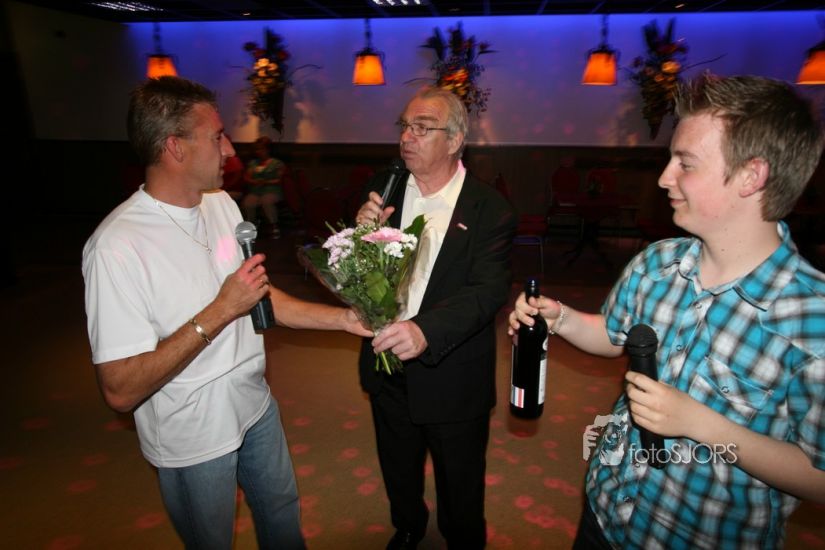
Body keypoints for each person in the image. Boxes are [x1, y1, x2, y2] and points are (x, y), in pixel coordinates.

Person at [509, 74, 825, 549]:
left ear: (752, 176)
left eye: (686, 163)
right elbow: (613, 335)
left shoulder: (812, 318)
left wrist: (700, 424)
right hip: (605, 509)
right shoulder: (655, 263)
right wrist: (563, 320)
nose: (663, 178)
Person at [82, 76, 370, 550]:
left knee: (282, 516)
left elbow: (258, 296)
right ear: (175, 147)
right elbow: (120, 389)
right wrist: (221, 309)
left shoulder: (219, 204)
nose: (231, 150)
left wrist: (343, 320)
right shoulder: (116, 246)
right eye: (217, 136)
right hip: (194, 436)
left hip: (255, 405)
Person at [355, 86, 516, 549]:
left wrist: (425, 330)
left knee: (459, 479)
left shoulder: (489, 208)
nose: (407, 137)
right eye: (405, 126)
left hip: (451, 369)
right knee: (397, 464)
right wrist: (361, 236)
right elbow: (361, 275)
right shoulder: (384, 188)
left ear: (455, 139)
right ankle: (408, 527)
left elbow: (487, 292)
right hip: (386, 362)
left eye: (422, 128)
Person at [242, 136, 286, 238]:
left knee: (266, 201)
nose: (259, 152)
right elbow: (247, 177)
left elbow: (280, 179)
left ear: (268, 150)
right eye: (257, 149)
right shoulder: (253, 163)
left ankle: (274, 225)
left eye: (261, 149)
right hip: (256, 191)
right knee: (248, 202)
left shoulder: (277, 163)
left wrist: (266, 182)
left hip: (272, 190)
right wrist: (254, 181)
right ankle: (252, 225)